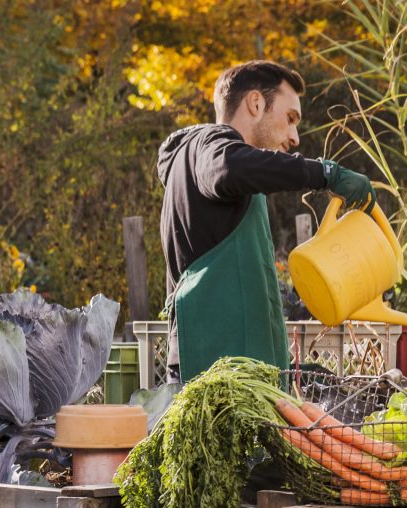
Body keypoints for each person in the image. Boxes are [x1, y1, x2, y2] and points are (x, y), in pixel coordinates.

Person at [157, 60, 379, 379]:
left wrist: (285, 371)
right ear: (256, 103)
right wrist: (325, 173)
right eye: (289, 119)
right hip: (213, 376)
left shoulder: (234, 177)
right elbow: (229, 167)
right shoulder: (209, 148)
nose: (295, 137)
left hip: (238, 369)